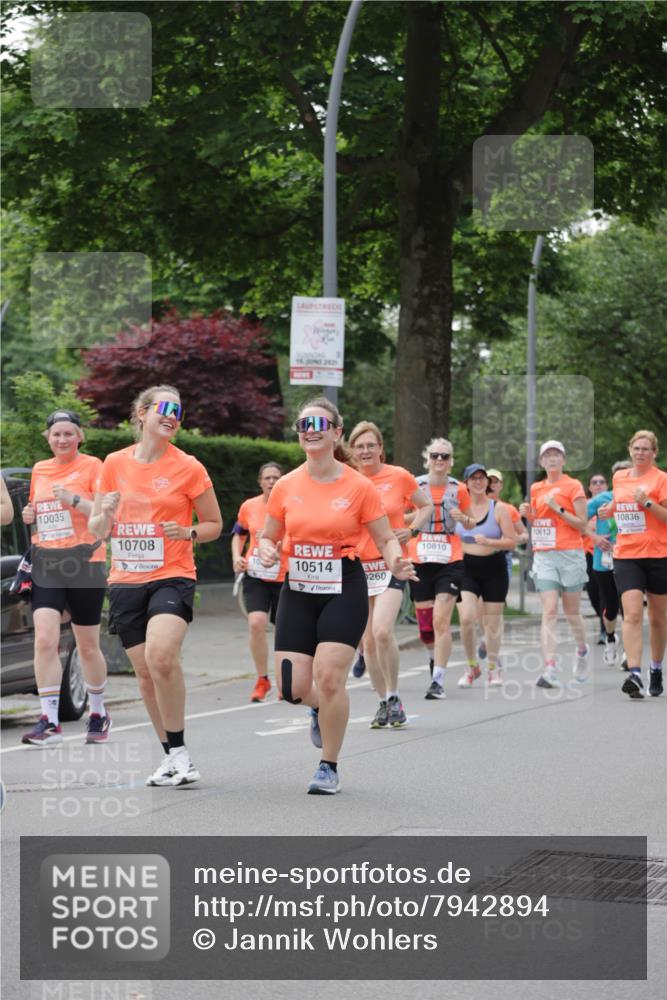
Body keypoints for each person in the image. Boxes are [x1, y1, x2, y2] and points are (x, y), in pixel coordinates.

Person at [258, 397, 417, 795]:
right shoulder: (287, 485)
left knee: (330, 677)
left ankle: (328, 765)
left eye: (319, 423)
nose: (310, 429)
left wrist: (396, 562)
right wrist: (264, 548)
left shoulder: (358, 486)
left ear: (336, 433)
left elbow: (384, 537)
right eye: (303, 424)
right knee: (292, 688)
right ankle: (318, 707)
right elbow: (269, 534)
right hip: (298, 587)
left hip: (343, 584)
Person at [89, 385, 223, 785]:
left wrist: (187, 531)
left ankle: (180, 753)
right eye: (164, 408)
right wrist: (105, 513)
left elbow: (214, 524)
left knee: (162, 656)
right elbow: (97, 529)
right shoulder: (113, 464)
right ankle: (171, 755)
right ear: (142, 413)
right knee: (145, 673)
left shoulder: (189, 467)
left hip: (172, 574)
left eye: (178, 411)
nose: (172, 416)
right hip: (127, 579)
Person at [20, 410, 109, 746]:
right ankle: (50, 720)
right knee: (44, 639)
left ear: (80, 436)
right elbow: (37, 512)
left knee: (87, 646)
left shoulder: (94, 466)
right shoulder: (40, 469)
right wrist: (30, 514)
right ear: (48, 437)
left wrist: (73, 499)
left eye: (68, 434)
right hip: (47, 562)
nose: (62, 440)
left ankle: (98, 712)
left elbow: (102, 515)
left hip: (85, 562)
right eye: (56, 434)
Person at [348, 420, 433, 728]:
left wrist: (410, 531)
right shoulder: (347, 480)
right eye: (359, 446)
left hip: (391, 563)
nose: (366, 450)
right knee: (368, 641)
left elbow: (427, 506)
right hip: (359, 566)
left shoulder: (398, 476)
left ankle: (395, 696)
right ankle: (383, 702)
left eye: (371, 445)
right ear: (352, 451)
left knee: (383, 631)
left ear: (381, 449)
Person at [598, 431, 667, 699]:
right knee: (633, 613)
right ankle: (635, 673)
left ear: (654, 453)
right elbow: (620, 505)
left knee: (658, 619)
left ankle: (656, 668)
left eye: (646, 449)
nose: (640, 453)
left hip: (659, 554)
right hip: (627, 554)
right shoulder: (619, 477)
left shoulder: (661, 479)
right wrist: (610, 510)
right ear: (630, 451)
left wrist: (647, 502)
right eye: (636, 448)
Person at [406, 438, 475, 700]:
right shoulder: (415, 485)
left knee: (441, 620)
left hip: (450, 558)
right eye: (435, 455)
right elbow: (399, 517)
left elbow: (470, 523)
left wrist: (462, 518)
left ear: (451, 461)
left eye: (444, 456)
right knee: (425, 629)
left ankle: (438, 680)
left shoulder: (459, 489)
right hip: (421, 558)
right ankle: (433, 658)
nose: (439, 460)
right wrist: (422, 514)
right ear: (428, 459)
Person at [519, 440, 589, 688]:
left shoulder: (573, 486)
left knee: (572, 613)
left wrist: (557, 507)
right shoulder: (536, 488)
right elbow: (539, 522)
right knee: (549, 610)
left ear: (563, 460)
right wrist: (529, 514)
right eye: (547, 455)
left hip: (570, 553)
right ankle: (550, 667)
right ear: (541, 462)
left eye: (556, 455)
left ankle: (582, 650)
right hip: (545, 554)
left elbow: (582, 524)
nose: (551, 459)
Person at [455, 464, 516, 687]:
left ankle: (493, 667)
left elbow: (512, 541)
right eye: (474, 478)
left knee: (492, 623)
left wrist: (490, 541)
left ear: (487, 483)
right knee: (467, 618)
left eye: (482, 478)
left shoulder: (498, 509)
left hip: (494, 568)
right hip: (466, 568)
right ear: (466, 483)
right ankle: (472, 666)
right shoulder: (459, 508)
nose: (479, 482)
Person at [231, 462, 286, 702]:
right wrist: (236, 557)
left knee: (285, 629)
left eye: (276, 477)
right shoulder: (249, 506)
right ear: (260, 481)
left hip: (285, 575)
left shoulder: (290, 505)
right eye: (267, 478)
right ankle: (263, 679)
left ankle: (286, 680)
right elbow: (239, 534)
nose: (272, 482)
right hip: (255, 574)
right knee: (256, 622)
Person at [586, 465, 630, 665]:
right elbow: (576, 522)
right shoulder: (601, 499)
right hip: (603, 560)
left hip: (631, 558)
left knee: (629, 607)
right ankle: (611, 637)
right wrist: (594, 537)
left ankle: (629, 654)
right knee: (610, 607)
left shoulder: (639, 498)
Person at [584, 473, 608, 643]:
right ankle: (604, 620)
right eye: (594, 482)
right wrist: (588, 527)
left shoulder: (611, 504)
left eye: (601, 482)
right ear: (590, 487)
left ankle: (604, 628)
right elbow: (573, 527)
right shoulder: (584, 507)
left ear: (606, 486)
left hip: (608, 553)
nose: (598, 485)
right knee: (593, 591)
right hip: (588, 553)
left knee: (605, 591)